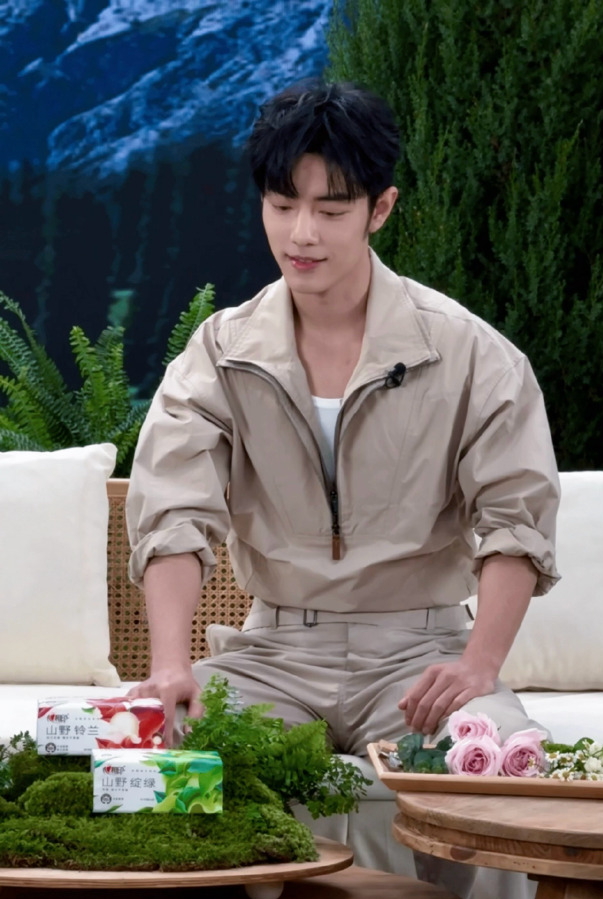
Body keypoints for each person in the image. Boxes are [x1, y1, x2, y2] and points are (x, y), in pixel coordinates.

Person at [125, 79, 560, 756]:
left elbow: (516, 519)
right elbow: (173, 513)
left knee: (498, 755)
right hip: (270, 658)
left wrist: (478, 665)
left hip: (422, 656)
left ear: (379, 208)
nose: (301, 233)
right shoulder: (220, 353)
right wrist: (171, 665)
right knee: (154, 751)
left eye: (331, 210)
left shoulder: (471, 353)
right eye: (282, 205)